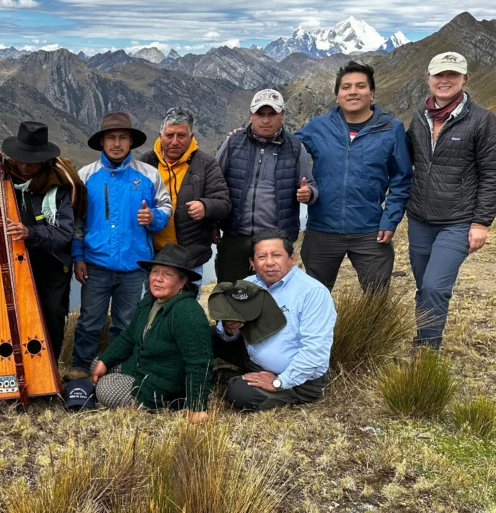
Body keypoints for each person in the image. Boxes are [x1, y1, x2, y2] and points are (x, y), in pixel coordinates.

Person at [406, 52, 496, 349]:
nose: (444, 81)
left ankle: (427, 356)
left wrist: (481, 222)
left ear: (464, 79)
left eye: (452, 75)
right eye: (439, 75)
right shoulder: (419, 118)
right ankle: (425, 337)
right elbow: (407, 161)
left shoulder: (483, 120)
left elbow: (492, 173)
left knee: (436, 287)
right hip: (419, 220)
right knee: (424, 287)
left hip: (458, 222)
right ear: (429, 79)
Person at [69, 111, 172, 379]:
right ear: (102, 142)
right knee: (89, 322)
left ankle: (117, 370)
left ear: (131, 142)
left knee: (125, 323)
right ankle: (81, 369)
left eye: (122, 138)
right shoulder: (85, 176)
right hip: (95, 264)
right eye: (111, 138)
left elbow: (166, 206)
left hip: (134, 264)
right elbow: (77, 222)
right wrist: (78, 257)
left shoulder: (149, 175)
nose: (117, 143)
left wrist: (153, 218)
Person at [296, 61, 412, 292]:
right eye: (346, 87)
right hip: (322, 229)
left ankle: (373, 330)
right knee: (314, 298)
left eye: (360, 86)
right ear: (337, 95)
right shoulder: (318, 126)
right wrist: (247, 136)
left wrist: (390, 220)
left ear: (372, 93)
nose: (353, 92)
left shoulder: (391, 128)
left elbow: (402, 179)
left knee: (376, 298)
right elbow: (285, 150)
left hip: (370, 231)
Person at [0, 121, 85, 360]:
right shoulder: (1, 182)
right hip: (14, 265)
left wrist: (29, 233)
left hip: (52, 265)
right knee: (15, 319)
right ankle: (18, 370)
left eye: (33, 160)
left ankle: (47, 373)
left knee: (52, 316)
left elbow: (64, 233)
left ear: (44, 159)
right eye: (21, 159)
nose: (26, 166)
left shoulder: (58, 188)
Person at [211, 231, 336, 412]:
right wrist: (229, 329)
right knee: (209, 335)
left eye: (276, 255)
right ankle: (240, 374)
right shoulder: (248, 284)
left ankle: (241, 379)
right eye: (262, 257)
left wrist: (279, 381)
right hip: (253, 356)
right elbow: (228, 327)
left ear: (291, 258)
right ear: (252, 263)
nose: (269, 262)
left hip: (298, 378)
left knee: (240, 393)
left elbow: (315, 352)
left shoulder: (313, 292)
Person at [91, 243, 213, 422]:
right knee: (97, 362)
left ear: (182, 281)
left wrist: (197, 407)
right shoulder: (149, 300)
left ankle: (163, 405)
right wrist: (105, 360)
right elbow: (129, 336)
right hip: (142, 367)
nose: (158, 279)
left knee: (105, 388)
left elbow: (200, 362)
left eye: (167, 275)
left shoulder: (187, 312)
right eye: (155, 272)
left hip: (163, 385)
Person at [216, 89, 316, 283]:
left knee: (274, 297)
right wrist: (212, 224)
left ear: (282, 116)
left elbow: (310, 185)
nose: (266, 120)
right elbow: (214, 185)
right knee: (230, 293)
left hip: (275, 239)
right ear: (251, 115)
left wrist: (308, 193)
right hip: (235, 236)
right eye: (260, 114)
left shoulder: (295, 148)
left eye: (272, 114)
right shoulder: (232, 143)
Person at [140, 106, 230, 281]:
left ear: (191, 137)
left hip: (189, 256)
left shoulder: (205, 163)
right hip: (152, 254)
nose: (175, 141)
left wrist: (205, 206)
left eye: (181, 136)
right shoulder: (146, 163)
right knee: (153, 305)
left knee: (187, 306)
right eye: (169, 135)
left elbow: (223, 203)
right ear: (160, 136)